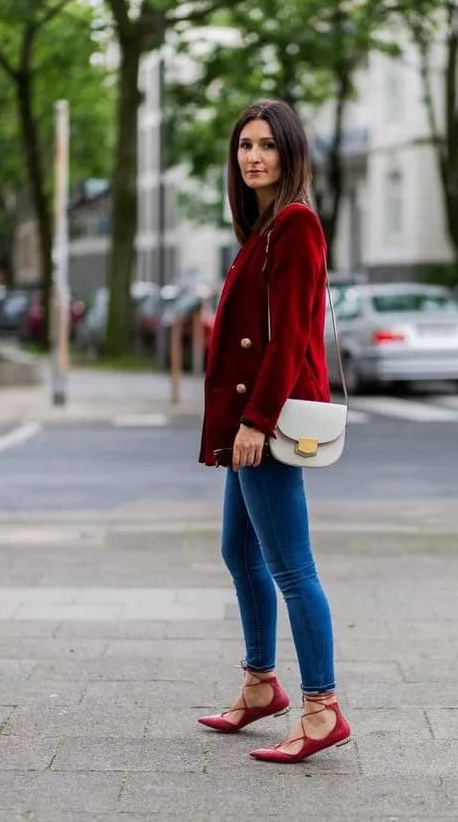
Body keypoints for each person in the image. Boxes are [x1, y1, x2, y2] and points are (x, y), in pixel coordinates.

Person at [198, 99, 351, 763]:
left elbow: (290, 336)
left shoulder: (294, 225)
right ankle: (261, 684)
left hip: (269, 419)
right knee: (240, 552)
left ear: (289, 153)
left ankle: (322, 708)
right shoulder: (263, 226)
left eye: (266, 144)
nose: (254, 155)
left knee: (293, 566)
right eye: (244, 146)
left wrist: (257, 420)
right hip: (248, 419)